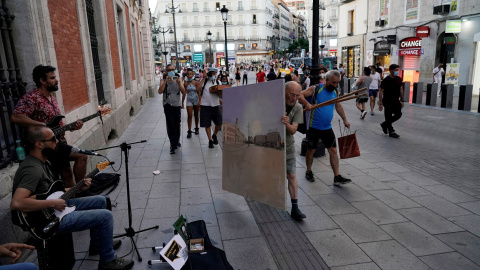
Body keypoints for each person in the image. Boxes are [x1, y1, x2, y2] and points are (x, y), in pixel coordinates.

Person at [10, 125, 131, 270]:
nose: (57, 142)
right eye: (53, 139)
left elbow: (50, 193)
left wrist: (79, 187)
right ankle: (107, 261)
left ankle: (98, 244)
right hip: (46, 221)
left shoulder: (43, 162)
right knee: (105, 216)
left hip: (52, 208)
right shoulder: (32, 169)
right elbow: (16, 202)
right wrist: (53, 203)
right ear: (39, 144)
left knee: (100, 201)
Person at [11, 65, 87, 189]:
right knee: (78, 160)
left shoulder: (52, 98)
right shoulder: (32, 98)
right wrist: (39, 124)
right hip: (46, 145)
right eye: (52, 78)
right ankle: (79, 194)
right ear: (42, 80)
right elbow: (15, 117)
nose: (56, 80)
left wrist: (72, 127)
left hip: (58, 141)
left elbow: (55, 125)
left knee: (67, 173)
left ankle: (77, 194)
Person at [300, 70, 352, 186]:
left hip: (327, 128)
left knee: (333, 150)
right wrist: (307, 104)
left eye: (337, 83)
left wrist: (345, 119)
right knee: (311, 151)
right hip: (314, 127)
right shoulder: (316, 88)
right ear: (327, 80)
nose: (335, 85)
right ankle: (309, 171)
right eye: (333, 82)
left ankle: (337, 176)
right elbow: (300, 94)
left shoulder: (335, 91)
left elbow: (338, 105)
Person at [281, 82, 306, 221]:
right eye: (291, 94)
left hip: (288, 145)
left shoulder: (297, 107)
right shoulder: (274, 102)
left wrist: (286, 123)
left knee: (291, 175)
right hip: (270, 144)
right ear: (284, 92)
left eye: (297, 95)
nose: (294, 98)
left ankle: (295, 207)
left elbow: (293, 130)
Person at [158, 64, 186, 154]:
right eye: (169, 70)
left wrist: (179, 84)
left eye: (172, 69)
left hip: (176, 104)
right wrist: (165, 81)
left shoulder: (179, 79)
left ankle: (177, 141)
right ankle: (172, 145)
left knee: (177, 124)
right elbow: (159, 91)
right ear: (165, 71)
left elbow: (183, 92)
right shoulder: (163, 79)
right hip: (167, 104)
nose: (171, 71)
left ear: (175, 70)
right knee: (170, 124)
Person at [378, 64, 404, 138]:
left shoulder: (399, 79)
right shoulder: (386, 80)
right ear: (391, 71)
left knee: (398, 114)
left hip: (396, 101)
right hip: (387, 101)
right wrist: (380, 103)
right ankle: (391, 131)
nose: (397, 72)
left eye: (397, 70)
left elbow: (401, 89)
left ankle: (384, 124)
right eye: (395, 70)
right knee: (388, 116)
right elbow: (380, 91)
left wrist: (402, 100)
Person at [200, 68, 222, 148]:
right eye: (210, 73)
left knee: (219, 122)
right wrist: (203, 78)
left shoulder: (217, 82)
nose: (212, 75)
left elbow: (221, 94)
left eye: (213, 73)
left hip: (215, 105)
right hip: (205, 105)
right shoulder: (204, 82)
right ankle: (210, 140)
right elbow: (197, 88)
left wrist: (219, 93)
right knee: (207, 124)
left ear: (216, 74)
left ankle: (215, 135)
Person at [182, 68, 202, 139]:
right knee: (189, 115)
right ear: (186, 75)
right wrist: (182, 103)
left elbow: (199, 92)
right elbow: (184, 94)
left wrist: (200, 101)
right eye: (188, 74)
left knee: (196, 115)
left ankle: (196, 128)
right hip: (189, 100)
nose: (189, 75)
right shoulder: (185, 83)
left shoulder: (196, 82)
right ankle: (189, 130)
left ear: (192, 74)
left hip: (196, 100)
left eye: (190, 74)